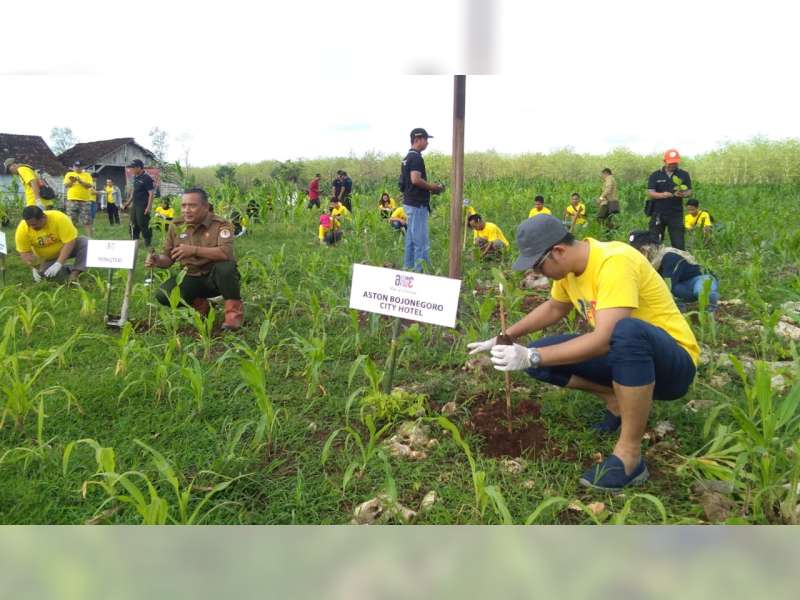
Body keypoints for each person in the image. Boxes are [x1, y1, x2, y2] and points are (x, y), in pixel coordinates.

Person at [467, 216, 699, 490]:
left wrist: (530, 356)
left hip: (672, 365)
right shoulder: (568, 272)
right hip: (626, 357)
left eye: (539, 266)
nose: (538, 273)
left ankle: (629, 457)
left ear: (558, 252)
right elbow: (555, 308)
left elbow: (603, 340)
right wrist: (506, 337)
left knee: (625, 332)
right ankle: (615, 399)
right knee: (539, 355)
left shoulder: (614, 261)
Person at [144, 188, 243, 331]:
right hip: (191, 275)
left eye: (192, 205)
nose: (186, 210)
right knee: (163, 293)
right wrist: (157, 260)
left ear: (206, 207)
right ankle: (202, 306)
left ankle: (233, 317)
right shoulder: (176, 226)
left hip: (215, 278)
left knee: (226, 267)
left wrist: (193, 250)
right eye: (184, 206)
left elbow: (225, 253)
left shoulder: (221, 224)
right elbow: (168, 258)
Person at [628, 230, 719, 311]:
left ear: (649, 247)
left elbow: (668, 283)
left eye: (640, 250)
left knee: (702, 291)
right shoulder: (650, 262)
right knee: (674, 290)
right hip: (682, 285)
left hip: (699, 278)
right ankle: (681, 307)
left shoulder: (670, 256)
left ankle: (712, 311)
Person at [400, 127, 444, 272]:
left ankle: (408, 268)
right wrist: (434, 188)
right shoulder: (416, 157)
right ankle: (421, 272)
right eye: (426, 140)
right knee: (421, 241)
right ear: (418, 139)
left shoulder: (406, 158)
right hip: (417, 204)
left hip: (409, 203)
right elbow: (415, 179)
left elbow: (404, 183)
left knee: (411, 240)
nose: (427, 143)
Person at [15, 205, 88, 284]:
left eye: (34, 224)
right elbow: (24, 252)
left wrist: (59, 263)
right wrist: (34, 267)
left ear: (44, 217)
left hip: (67, 248)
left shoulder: (59, 218)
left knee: (86, 243)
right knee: (47, 276)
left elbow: (69, 242)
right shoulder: (23, 229)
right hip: (47, 258)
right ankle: (68, 269)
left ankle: (75, 273)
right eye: (29, 224)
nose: (32, 227)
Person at [646, 149, 692, 250]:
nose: (673, 165)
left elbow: (689, 191)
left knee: (678, 243)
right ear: (664, 161)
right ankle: (655, 263)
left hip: (676, 214)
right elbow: (651, 193)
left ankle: (679, 263)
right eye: (671, 162)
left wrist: (683, 194)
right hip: (658, 213)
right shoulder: (655, 175)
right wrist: (663, 195)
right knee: (655, 242)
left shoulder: (683, 174)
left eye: (675, 162)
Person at [123, 159, 154, 247]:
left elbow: (151, 194)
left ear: (139, 167)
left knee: (143, 223)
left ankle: (147, 241)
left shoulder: (147, 178)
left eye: (133, 168)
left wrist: (148, 207)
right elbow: (134, 191)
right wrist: (128, 203)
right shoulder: (136, 177)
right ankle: (134, 242)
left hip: (143, 205)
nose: (131, 170)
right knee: (133, 223)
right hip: (135, 204)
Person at [63, 160, 95, 237]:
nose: (78, 168)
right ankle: (72, 238)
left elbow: (89, 186)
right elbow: (66, 185)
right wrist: (72, 181)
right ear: (73, 167)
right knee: (71, 220)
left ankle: (90, 239)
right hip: (72, 200)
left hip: (85, 200)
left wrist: (80, 181)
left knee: (87, 220)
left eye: (79, 166)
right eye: (76, 166)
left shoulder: (87, 175)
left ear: (82, 167)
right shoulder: (69, 174)